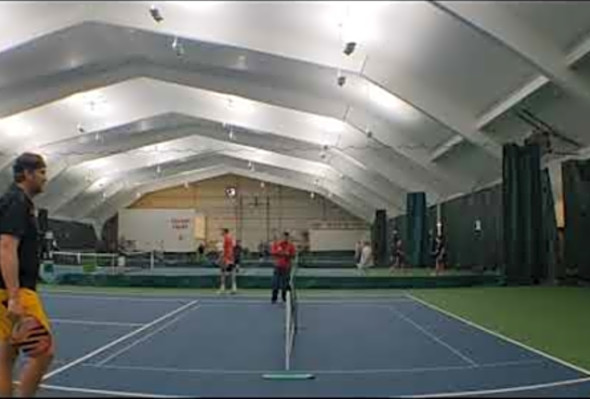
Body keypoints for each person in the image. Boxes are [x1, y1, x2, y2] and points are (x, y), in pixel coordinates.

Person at [0, 153, 53, 397]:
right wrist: (14, 297)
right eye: (41, 172)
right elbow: (6, 246)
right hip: (16, 290)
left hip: (10, 290)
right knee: (44, 353)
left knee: (7, 355)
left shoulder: (18, 201)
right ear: (28, 174)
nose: (45, 178)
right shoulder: (17, 202)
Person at [270, 232, 296, 303]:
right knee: (275, 283)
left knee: (285, 284)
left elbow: (293, 255)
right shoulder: (277, 244)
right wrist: (282, 253)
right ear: (281, 237)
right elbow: (273, 252)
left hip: (286, 267)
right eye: (284, 237)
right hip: (277, 267)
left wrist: (288, 255)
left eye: (286, 237)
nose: (285, 238)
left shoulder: (291, 246)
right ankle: (274, 298)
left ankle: (284, 298)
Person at [218, 228, 237, 294]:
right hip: (231, 258)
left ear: (225, 232)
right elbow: (234, 247)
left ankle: (222, 288)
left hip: (226, 258)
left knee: (223, 273)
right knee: (232, 273)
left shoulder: (223, 239)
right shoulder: (232, 238)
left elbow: (222, 250)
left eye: (222, 231)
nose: (221, 232)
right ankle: (234, 288)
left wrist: (220, 258)